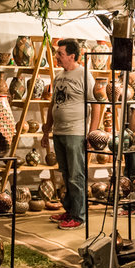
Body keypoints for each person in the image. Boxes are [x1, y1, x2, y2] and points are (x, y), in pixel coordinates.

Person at [41, 39, 102, 230]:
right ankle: (69, 210)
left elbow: (96, 105)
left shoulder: (85, 75)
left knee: (76, 175)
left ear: (72, 56)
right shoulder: (59, 76)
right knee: (66, 174)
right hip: (59, 132)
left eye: (60, 53)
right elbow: (53, 104)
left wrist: (92, 133)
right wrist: (47, 129)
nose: (57, 57)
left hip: (76, 133)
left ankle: (79, 216)